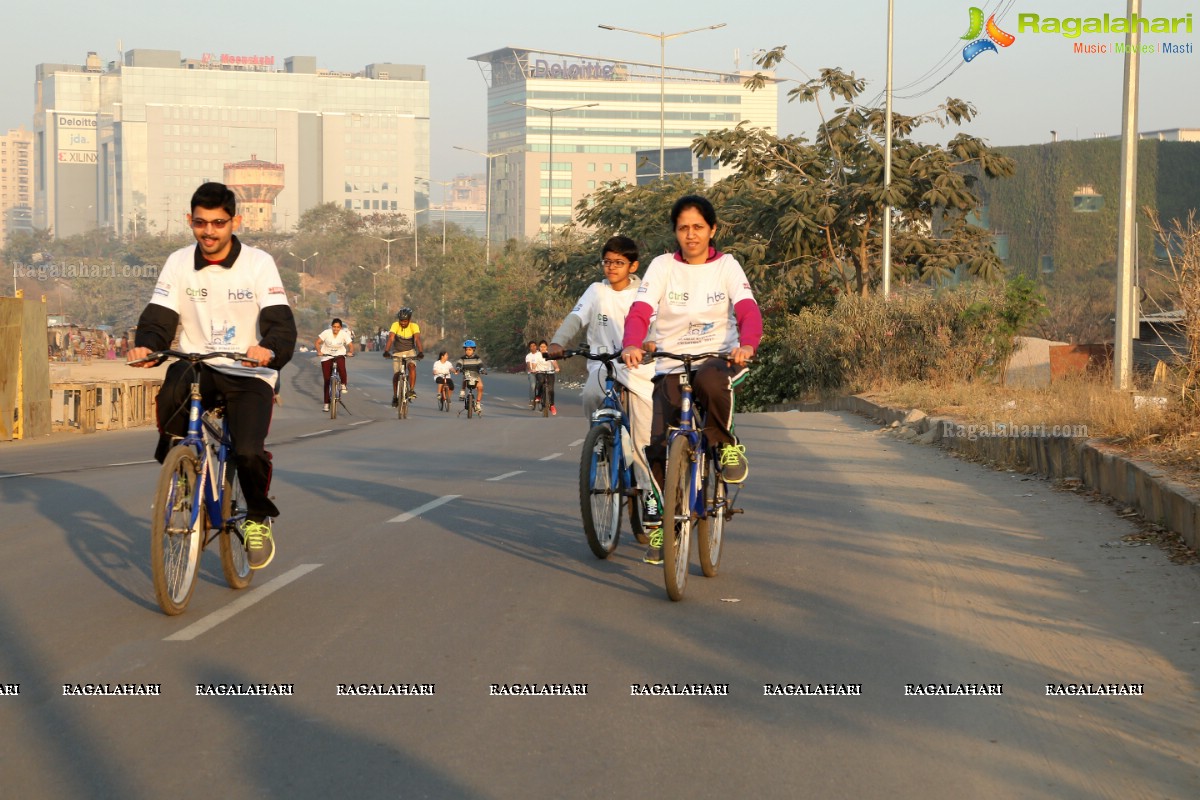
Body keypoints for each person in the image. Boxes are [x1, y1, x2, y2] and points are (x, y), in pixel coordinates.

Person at [128, 181, 297, 570]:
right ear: (190, 221)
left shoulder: (258, 263)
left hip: (247, 370)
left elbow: (280, 324)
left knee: (249, 451)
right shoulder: (178, 262)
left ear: (234, 221)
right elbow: (158, 318)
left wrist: (267, 349)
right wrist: (146, 348)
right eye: (201, 223)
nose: (209, 232)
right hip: (197, 365)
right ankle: (182, 471)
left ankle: (257, 515)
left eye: (218, 223)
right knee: (170, 396)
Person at [621, 194, 761, 565]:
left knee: (712, 384)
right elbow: (640, 310)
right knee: (655, 446)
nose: (691, 234)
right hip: (670, 362)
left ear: (712, 230)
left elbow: (747, 310)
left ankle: (725, 445)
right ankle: (665, 525)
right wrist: (632, 343)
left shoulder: (727, 266)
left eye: (698, 227)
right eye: (683, 228)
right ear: (675, 233)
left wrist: (746, 345)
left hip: (717, 356)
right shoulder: (662, 266)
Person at [548, 234, 656, 517]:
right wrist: (558, 342)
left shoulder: (644, 291)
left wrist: (650, 344)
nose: (611, 267)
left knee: (643, 441)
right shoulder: (596, 290)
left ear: (633, 266)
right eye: (607, 261)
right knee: (592, 394)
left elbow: (655, 325)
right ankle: (600, 441)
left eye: (619, 262)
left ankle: (649, 496)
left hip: (638, 368)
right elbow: (576, 317)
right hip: (603, 362)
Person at [384, 307, 423, 407]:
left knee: (412, 367)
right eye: (401, 320)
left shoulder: (414, 326)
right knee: (397, 374)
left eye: (405, 321)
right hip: (397, 352)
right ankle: (395, 396)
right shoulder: (395, 325)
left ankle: (411, 390)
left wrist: (420, 352)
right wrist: (386, 351)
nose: (403, 323)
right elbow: (391, 338)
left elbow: (417, 339)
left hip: (410, 352)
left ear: (409, 320)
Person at [316, 317, 354, 412]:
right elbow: (317, 342)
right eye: (334, 327)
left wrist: (350, 352)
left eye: (338, 327)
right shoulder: (326, 333)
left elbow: (350, 345)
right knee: (327, 380)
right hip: (327, 355)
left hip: (339, 354)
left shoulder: (344, 334)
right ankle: (326, 403)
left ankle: (343, 384)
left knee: (342, 368)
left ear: (340, 327)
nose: (335, 329)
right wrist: (319, 351)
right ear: (331, 326)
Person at [455, 340, 486, 411]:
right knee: (465, 378)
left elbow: (480, 365)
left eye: (470, 349)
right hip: (467, 374)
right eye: (466, 350)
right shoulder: (463, 358)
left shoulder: (477, 358)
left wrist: (482, 369)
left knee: (480, 387)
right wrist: (458, 368)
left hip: (476, 375)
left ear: (473, 350)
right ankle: (462, 391)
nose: (468, 351)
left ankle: (478, 403)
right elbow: (459, 364)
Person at [536, 339, 559, 415]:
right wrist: (533, 369)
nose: (543, 348)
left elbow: (554, 362)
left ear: (547, 347)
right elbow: (533, 364)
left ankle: (551, 405)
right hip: (540, 372)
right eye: (541, 347)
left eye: (544, 346)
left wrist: (556, 368)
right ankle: (539, 396)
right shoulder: (536, 355)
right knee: (541, 382)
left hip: (550, 372)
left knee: (551, 389)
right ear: (539, 347)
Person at [524, 340, 542, 409]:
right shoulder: (528, 356)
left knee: (543, 384)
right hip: (532, 373)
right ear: (529, 348)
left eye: (534, 345)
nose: (533, 347)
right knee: (533, 385)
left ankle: (544, 398)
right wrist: (530, 369)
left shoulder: (540, 354)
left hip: (540, 372)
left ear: (536, 346)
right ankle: (532, 400)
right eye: (531, 346)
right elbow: (528, 364)